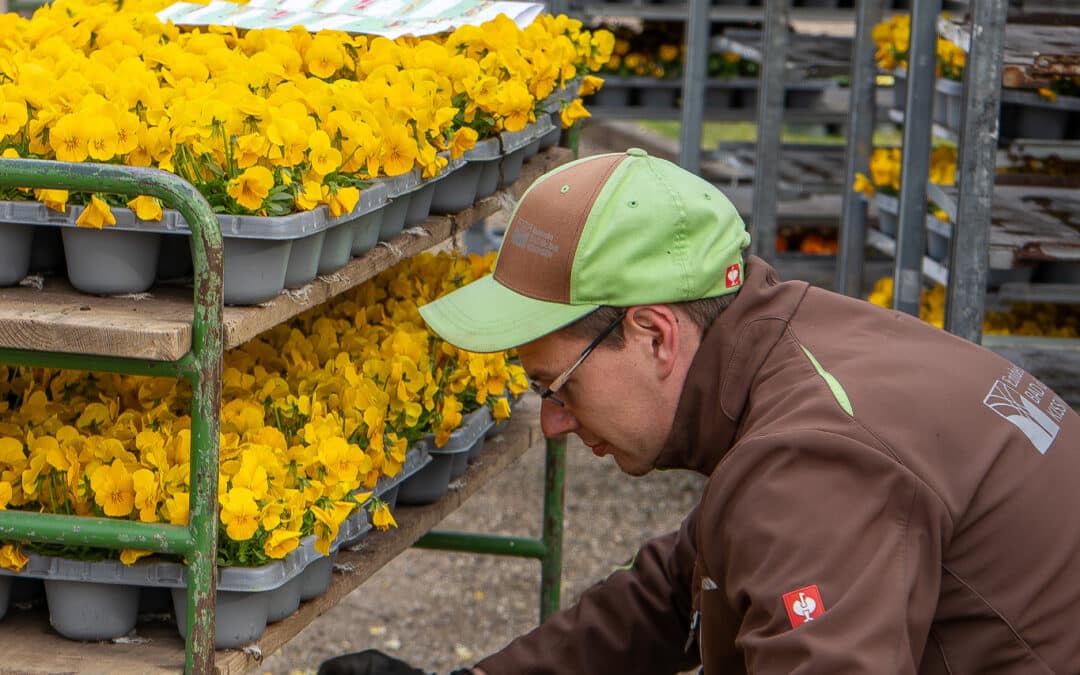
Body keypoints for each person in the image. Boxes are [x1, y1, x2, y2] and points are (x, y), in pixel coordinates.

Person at [333, 149, 1080, 674]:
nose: (555, 423)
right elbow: (683, 585)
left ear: (654, 332)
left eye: (556, 387)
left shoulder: (813, 462)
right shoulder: (794, 340)